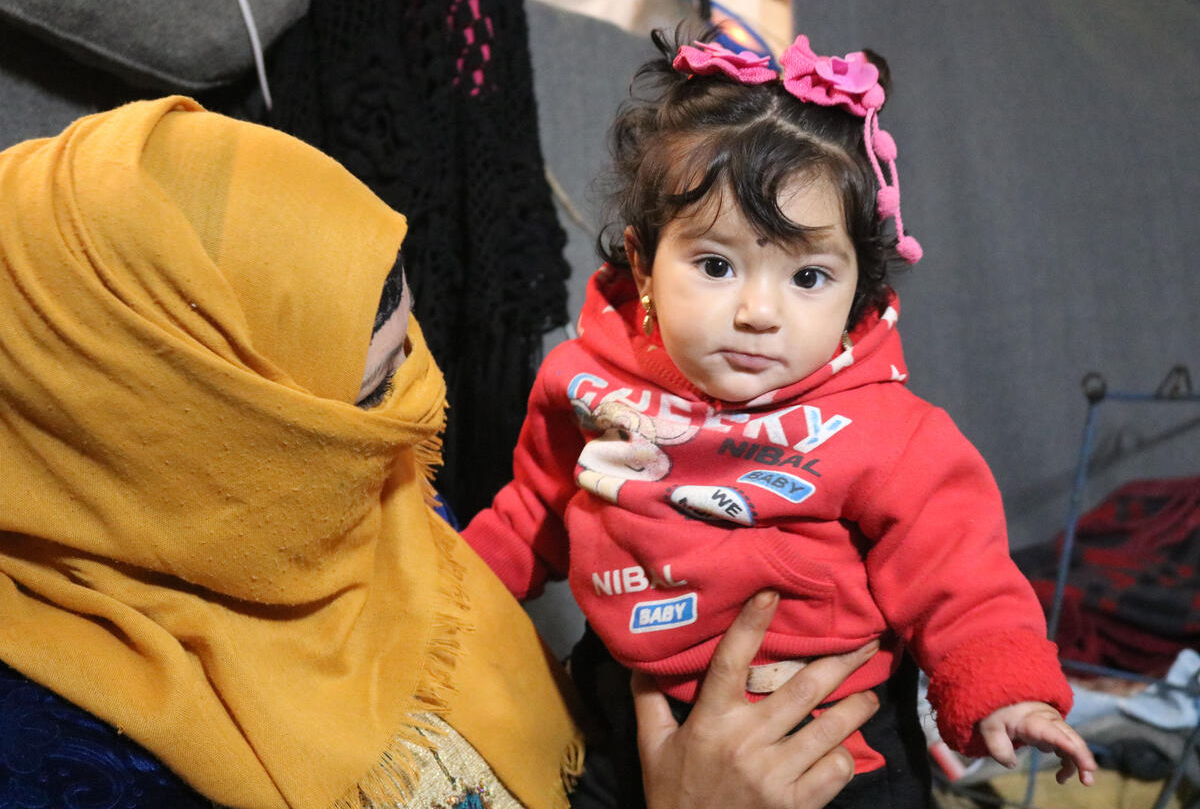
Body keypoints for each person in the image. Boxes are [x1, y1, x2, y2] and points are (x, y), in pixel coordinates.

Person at [0, 96, 880, 809]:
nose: (414, 408)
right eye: (364, 395)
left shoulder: (380, 503)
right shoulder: (54, 755)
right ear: (183, 427)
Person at [461, 29, 1099, 808]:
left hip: (833, 742)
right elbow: (535, 510)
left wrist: (1008, 691)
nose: (759, 311)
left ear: (859, 288)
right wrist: (446, 592)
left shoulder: (892, 434)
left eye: (808, 275)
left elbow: (963, 582)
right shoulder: (586, 384)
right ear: (642, 265)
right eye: (717, 265)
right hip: (627, 705)